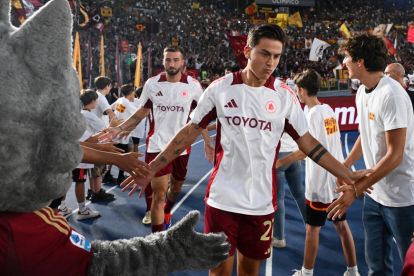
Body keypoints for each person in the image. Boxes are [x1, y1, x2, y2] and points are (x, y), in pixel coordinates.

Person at [122, 24, 369, 276]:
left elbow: (309, 144)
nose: (270, 62)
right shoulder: (221, 88)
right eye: (264, 54)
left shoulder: (285, 96)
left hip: (261, 204)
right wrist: (151, 168)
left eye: (276, 56)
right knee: (218, 272)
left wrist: (347, 174)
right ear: (248, 51)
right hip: (222, 201)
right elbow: (189, 132)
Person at [328, 34, 414, 276]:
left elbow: (395, 155)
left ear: (360, 62)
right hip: (375, 195)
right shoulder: (362, 92)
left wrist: (356, 189)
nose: (344, 62)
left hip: (403, 200)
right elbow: (364, 135)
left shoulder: (392, 94)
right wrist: (344, 167)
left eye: (347, 57)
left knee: (410, 265)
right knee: (376, 267)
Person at [100, 46, 210, 231]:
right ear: (163, 61)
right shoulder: (152, 84)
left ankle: (167, 210)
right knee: (159, 194)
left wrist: (207, 140)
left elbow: (201, 117)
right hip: (156, 145)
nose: (171, 63)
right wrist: (119, 128)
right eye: (168, 60)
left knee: (174, 189)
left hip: (181, 147)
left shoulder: (193, 86)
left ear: (182, 63)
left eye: (175, 60)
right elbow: (141, 113)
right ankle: (157, 240)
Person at [277, 69, 359, 276]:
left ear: (301, 90)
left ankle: (306, 272)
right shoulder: (328, 109)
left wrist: (279, 163)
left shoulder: (310, 115)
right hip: (336, 180)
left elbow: (306, 150)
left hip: (319, 184)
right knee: (342, 226)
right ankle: (353, 270)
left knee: (312, 229)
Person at [272, 132, 306, 248]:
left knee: (278, 198)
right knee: (299, 193)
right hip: (294, 154)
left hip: (278, 155)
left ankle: (279, 237)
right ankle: (311, 226)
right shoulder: (292, 113)